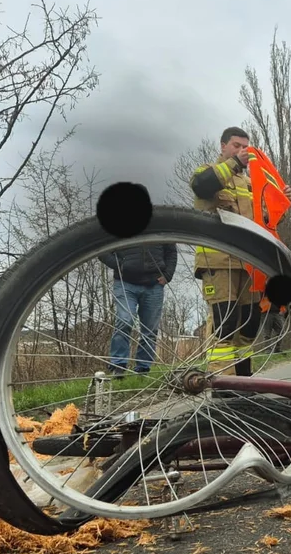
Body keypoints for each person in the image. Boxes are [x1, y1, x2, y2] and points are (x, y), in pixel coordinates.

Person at [190, 126, 269, 375]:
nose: (243, 150)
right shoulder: (207, 172)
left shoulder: (250, 184)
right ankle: (222, 387)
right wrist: (235, 162)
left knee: (249, 324)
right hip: (218, 261)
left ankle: (244, 383)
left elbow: (262, 220)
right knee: (224, 326)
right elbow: (202, 187)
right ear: (223, 146)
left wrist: (277, 202)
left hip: (248, 263)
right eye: (237, 145)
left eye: (246, 146)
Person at [100, 243, 178, 377]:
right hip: (125, 283)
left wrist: (167, 275)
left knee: (150, 330)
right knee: (124, 320)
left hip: (154, 284)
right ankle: (118, 365)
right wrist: (121, 265)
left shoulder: (161, 224)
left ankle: (143, 368)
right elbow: (101, 249)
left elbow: (171, 252)